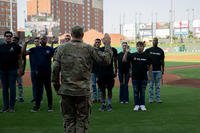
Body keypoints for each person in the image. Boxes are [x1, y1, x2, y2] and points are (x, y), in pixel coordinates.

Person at [52, 25, 113, 133]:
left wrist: (57, 86)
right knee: (82, 121)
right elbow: (106, 60)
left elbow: (55, 68)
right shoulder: (88, 48)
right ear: (82, 35)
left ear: (71, 34)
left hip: (66, 91)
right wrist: (107, 45)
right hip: (83, 92)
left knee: (69, 121)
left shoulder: (61, 48)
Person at [123, 41, 152, 111]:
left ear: (143, 47)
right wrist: (126, 52)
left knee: (142, 92)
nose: (139, 47)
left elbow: (150, 66)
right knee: (136, 92)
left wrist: (149, 76)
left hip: (144, 77)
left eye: (141, 46)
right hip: (135, 77)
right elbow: (124, 60)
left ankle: (142, 105)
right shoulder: (133, 55)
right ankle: (136, 105)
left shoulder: (147, 56)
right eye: (138, 46)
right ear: (136, 47)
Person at [0, 31, 22, 112]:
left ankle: (12, 107)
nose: (8, 37)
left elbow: (20, 58)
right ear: (4, 37)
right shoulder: (1, 46)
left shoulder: (16, 46)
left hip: (12, 70)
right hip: (2, 71)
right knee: (4, 89)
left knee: (12, 89)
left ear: (12, 37)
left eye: (10, 36)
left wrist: (20, 68)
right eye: (7, 36)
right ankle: (5, 107)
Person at [97, 35, 118, 112]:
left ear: (110, 40)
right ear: (103, 41)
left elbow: (115, 61)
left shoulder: (114, 50)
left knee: (109, 90)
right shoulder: (100, 49)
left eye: (108, 39)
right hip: (101, 73)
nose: (106, 40)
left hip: (110, 73)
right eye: (104, 39)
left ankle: (109, 104)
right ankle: (103, 104)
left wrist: (116, 71)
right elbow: (97, 61)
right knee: (102, 90)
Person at [22, 37, 44, 103]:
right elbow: (23, 53)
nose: (36, 42)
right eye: (35, 41)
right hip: (33, 70)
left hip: (40, 70)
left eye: (37, 41)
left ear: (39, 42)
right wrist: (25, 43)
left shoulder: (43, 49)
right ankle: (35, 98)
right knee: (34, 85)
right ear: (34, 42)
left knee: (40, 85)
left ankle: (40, 98)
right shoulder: (32, 49)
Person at [145, 37, 165, 103]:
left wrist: (163, 69)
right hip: (150, 71)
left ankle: (158, 99)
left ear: (157, 42)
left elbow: (162, 61)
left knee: (158, 86)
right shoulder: (148, 50)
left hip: (158, 70)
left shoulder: (160, 51)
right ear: (152, 42)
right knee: (150, 85)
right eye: (154, 40)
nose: (155, 42)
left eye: (156, 41)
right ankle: (151, 99)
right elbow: (143, 57)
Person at [12, 36, 26, 102]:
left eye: (15, 40)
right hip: (11, 69)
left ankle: (20, 97)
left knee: (20, 84)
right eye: (13, 40)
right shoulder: (10, 47)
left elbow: (23, 59)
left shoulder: (20, 48)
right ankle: (14, 97)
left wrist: (22, 69)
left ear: (18, 41)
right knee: (12, 84)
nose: (13, 41)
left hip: (18, 69)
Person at [91, 38, 101, 103]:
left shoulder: (101, 50)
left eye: (98, 42)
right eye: (96, 42)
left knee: (100, 85)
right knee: (93, 85)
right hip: (93, 70)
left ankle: (99, 98)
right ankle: (94, 98)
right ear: (94, 43)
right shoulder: (92, 50)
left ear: (100, 43)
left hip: (100, 70)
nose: (97, 43)